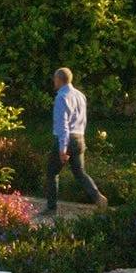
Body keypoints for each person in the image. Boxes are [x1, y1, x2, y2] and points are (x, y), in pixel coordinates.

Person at [44, 67, 107, 213]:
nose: (54, 81)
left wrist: (62, 148)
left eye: (55, 78)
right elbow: (83, 120)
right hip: (79, 137)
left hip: (67, 138)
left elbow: (63, 124)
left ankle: (51, 207)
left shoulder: (61, 97)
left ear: (59, 80)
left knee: (52, 172)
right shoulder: (80, 96)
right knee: (80, 172)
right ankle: (98, 197)